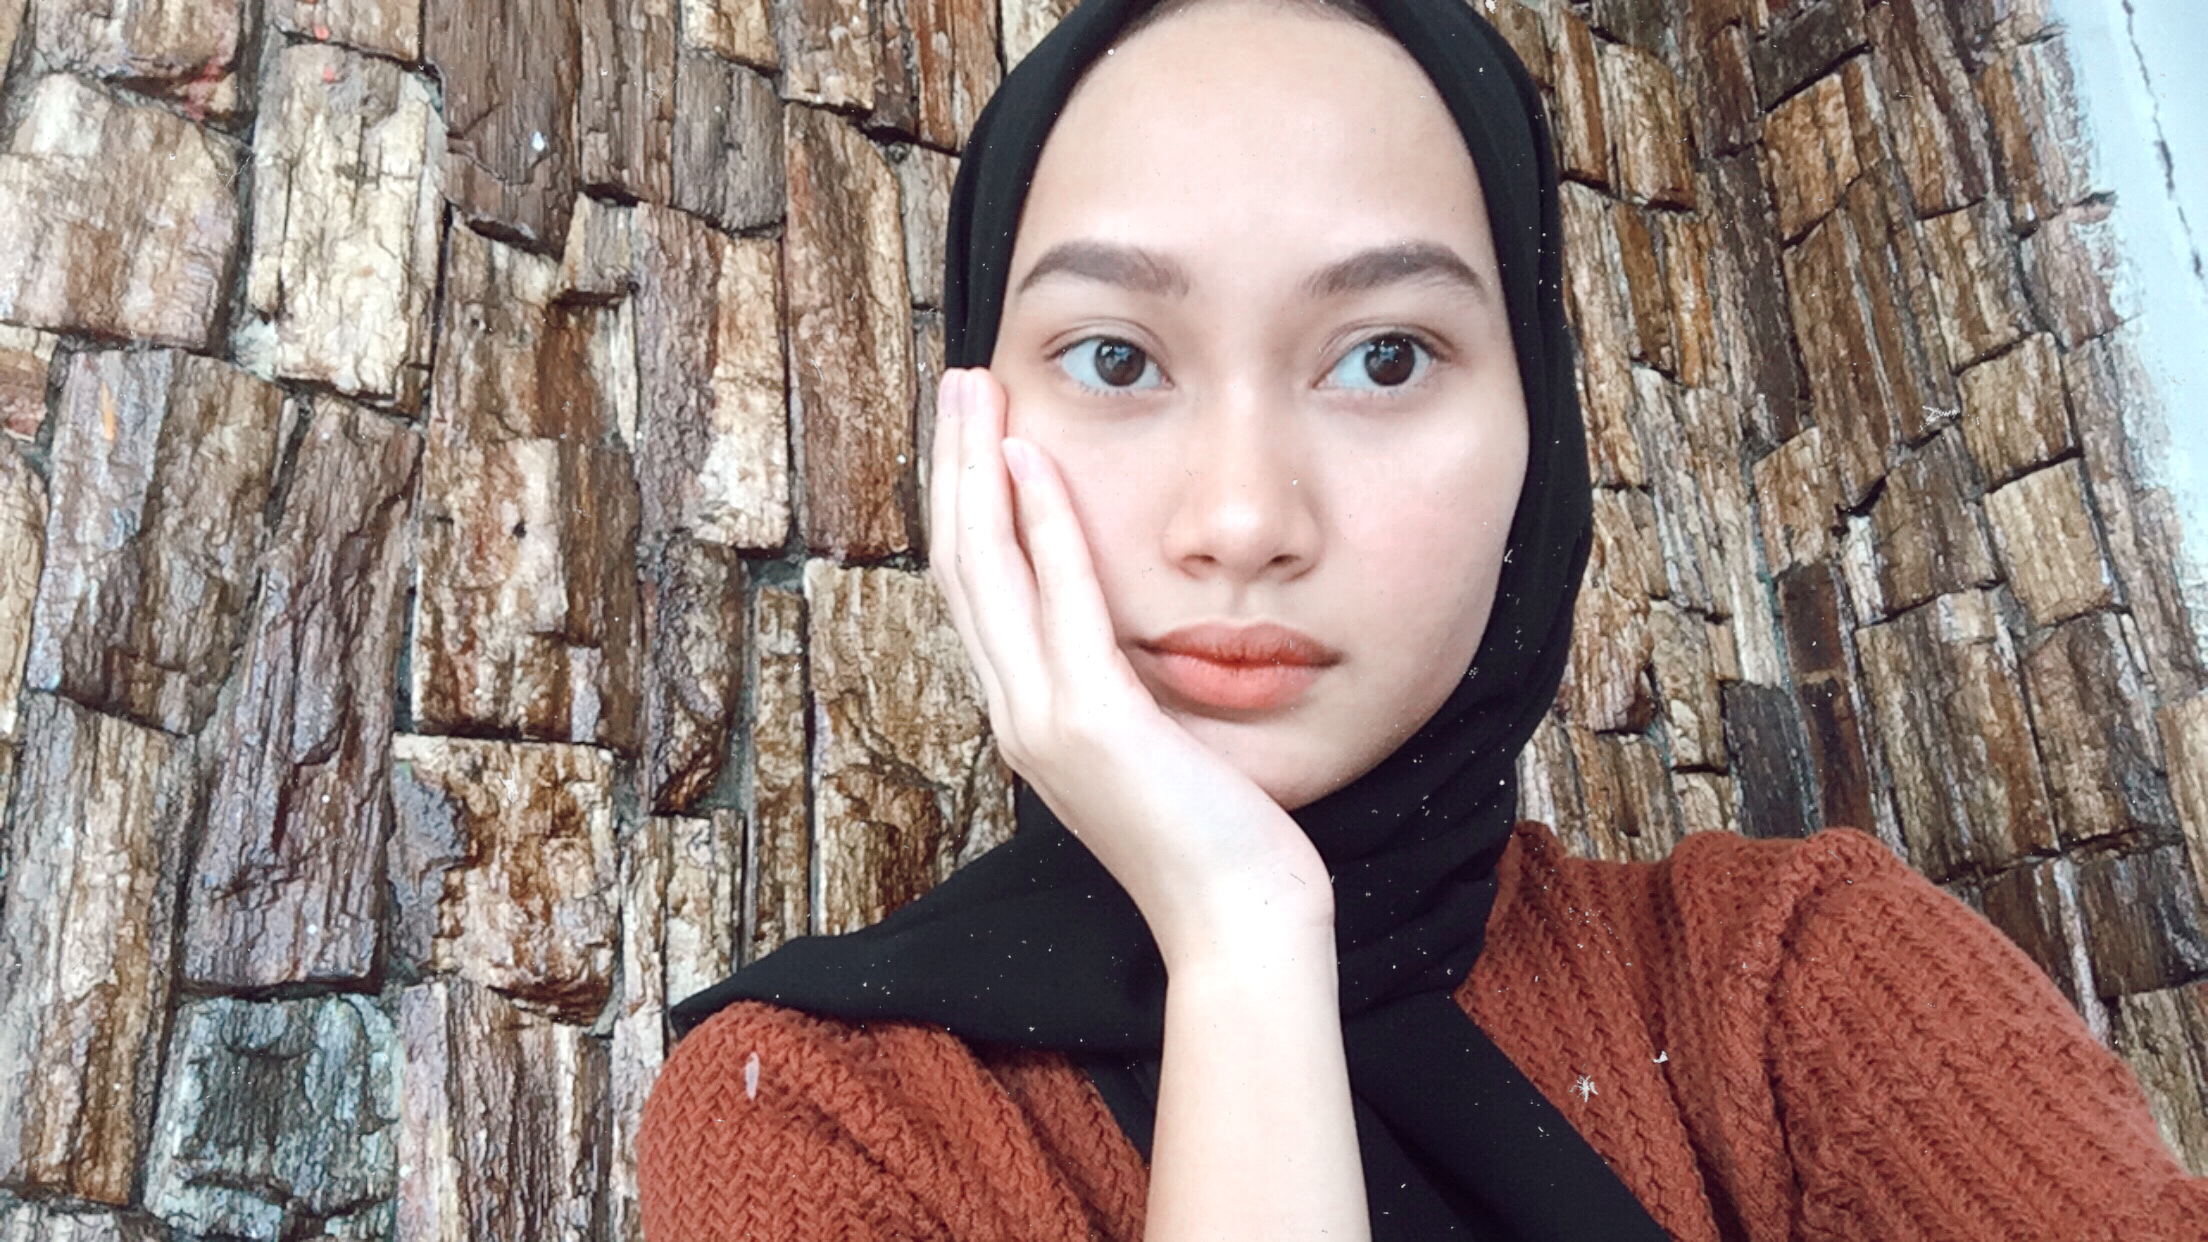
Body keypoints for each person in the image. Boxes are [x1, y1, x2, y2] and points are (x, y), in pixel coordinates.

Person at [637, 0, 2208, 1236]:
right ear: (972, 425)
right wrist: (1243, 944)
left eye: (1383, 357)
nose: (1242, 518)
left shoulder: (1801, 992)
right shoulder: (815, 1115)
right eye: (1116, 357)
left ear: (1541, 436)